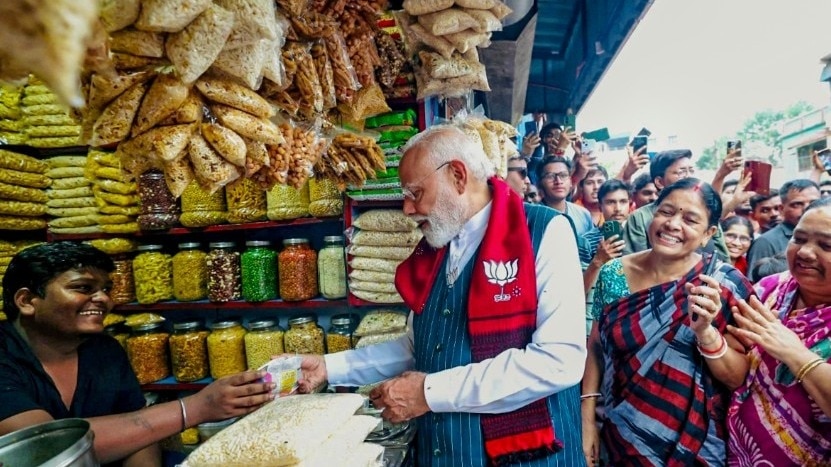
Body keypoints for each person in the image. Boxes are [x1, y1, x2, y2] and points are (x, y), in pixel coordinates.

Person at [294, 125, 588, 466]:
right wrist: (329, 368)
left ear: (458, 176)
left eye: (415, 192)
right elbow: (423, 346)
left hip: (526, 455)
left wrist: (429, 393)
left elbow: (558, 362)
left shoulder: (544, 231)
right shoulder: (436, 250)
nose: (407, 208)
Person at [0, 242, 274, 466]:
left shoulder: (105, 350)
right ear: (26, 301)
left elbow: (140, 432)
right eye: (83, 288)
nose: (104, 299)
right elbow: (43, 448)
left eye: (106, 289)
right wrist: (195, 408)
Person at [581, 178, 755, 466]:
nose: (673, 224)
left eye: (689, 219)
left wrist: (706, 333)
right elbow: (597, 347)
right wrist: (587, 419)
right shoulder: (613, 273)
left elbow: (739, 378)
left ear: (708, 233)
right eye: (666, 211)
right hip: (622, 434)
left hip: (696, 444)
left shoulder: (723, 285)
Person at [725, 196, 831, 464]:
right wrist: (709, 336)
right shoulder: (768, 289)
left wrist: (795, 354)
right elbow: (735, 370)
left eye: (826, 245)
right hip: (743, 450)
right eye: (799, 238)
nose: (805, 252)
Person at [621, 149, 731, 261]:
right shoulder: (640, 217)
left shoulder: (706, 213)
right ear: (659, 182)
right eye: (681, 172)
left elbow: (723, 260)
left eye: (691, 171)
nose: (689, 177)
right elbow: (635, 263)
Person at [746, 179, 820, 275]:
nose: (807, 208)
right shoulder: (766, 242)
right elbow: (758, 286)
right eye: (797, 204)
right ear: (782, 209)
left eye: (814, 202)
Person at [536, 155, 594, 236]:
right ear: (540, 183)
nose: (558, 181)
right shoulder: (534, 216)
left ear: (570, 182)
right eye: (550, 176)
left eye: (563, 175)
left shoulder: (583, 214)